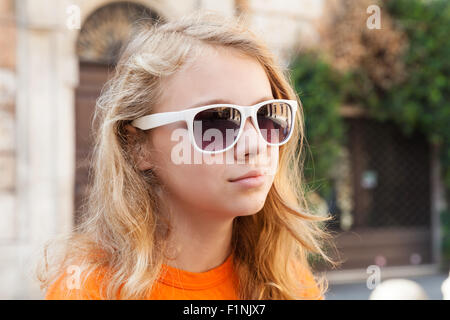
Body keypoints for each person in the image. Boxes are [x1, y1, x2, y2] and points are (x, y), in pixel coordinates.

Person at [39, 10, 334, 300]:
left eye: (267, 115)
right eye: (215, 120)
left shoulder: (290, 284)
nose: (255, 145)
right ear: (138, 147)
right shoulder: (88, 292)